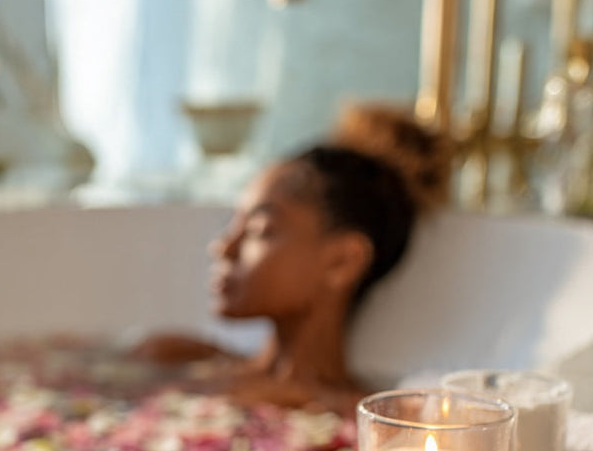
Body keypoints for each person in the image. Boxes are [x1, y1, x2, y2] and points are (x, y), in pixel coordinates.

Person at [130, 103, 455, 417]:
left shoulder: (370, 419)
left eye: (259, 230)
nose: (224, 247)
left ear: (342, 261)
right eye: (234, 224)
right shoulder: (169, 358)